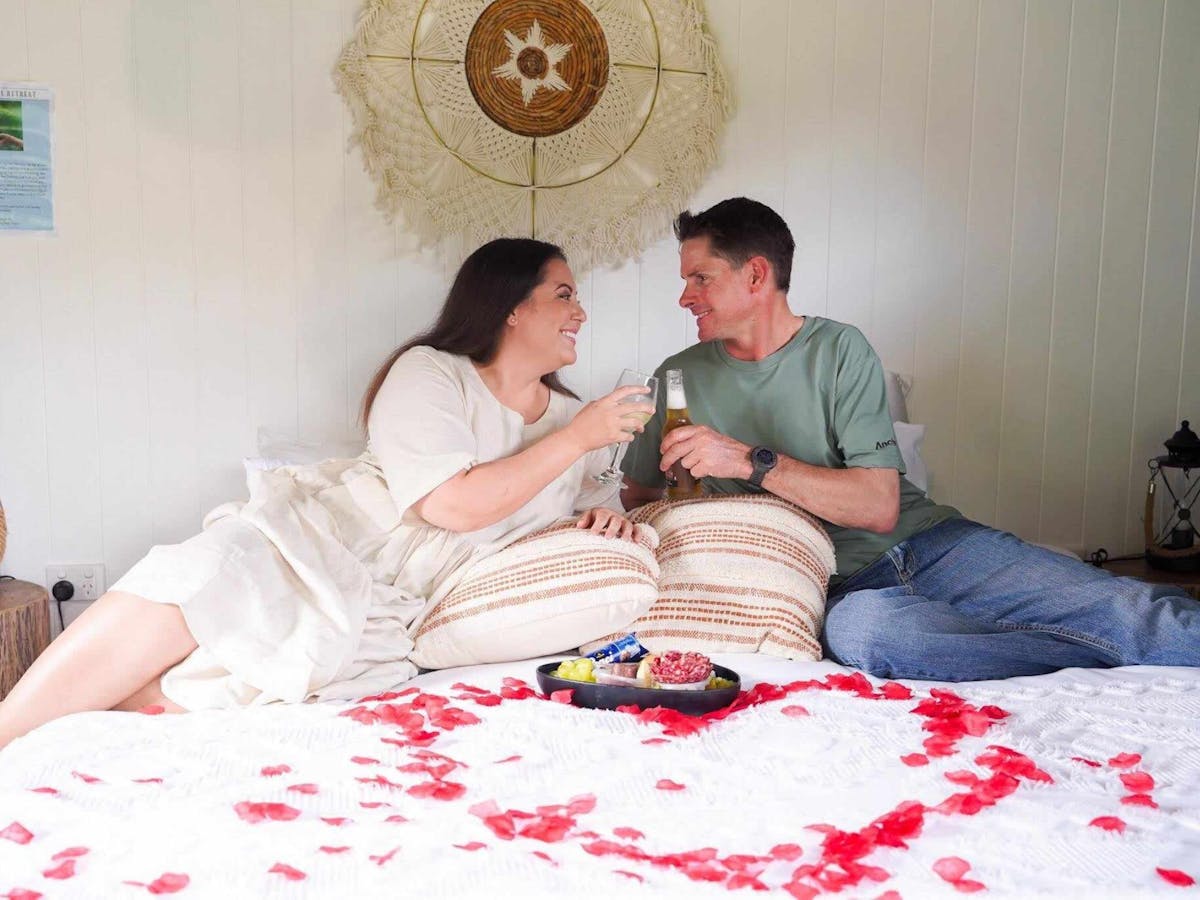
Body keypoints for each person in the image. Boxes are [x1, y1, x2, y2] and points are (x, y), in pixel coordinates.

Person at [0, 238, 654, 750]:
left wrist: (601, 511)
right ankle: (9, 735)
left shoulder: (574, 422)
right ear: (512, 304)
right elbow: (449, 505)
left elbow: (578, 498)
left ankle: (62, 750)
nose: (581, 312)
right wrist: (578, 440)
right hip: (330, 539)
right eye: (564, 293)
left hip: (399, 605)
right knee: (209, 574)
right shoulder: (431, 374)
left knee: (237, 683)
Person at [621, 197, 1200, 682]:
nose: (685, 296)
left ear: (755, 274)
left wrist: (747, 460)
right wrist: (678, 504)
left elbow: (878, 506)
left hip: (932, 545)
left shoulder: (838, 350)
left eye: (701, 278)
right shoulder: (676, 378)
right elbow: (638, 495)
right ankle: (1085, 651)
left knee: (1132, 611)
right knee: (865, 638)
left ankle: (1110, 638)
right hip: (838, 589)